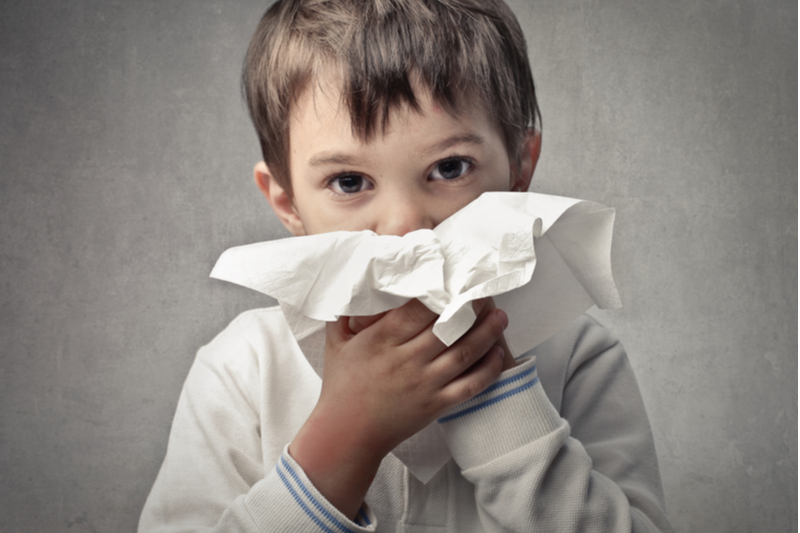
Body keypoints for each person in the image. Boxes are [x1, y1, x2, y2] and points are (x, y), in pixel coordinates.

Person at [139, 0, 674, 531]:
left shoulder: (580, 357)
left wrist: (498, 402)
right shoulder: (244, 367)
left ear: (518, 170)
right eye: (349, 182)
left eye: (449, 168)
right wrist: (344, 438)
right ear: (287, 204)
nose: (405, 228)